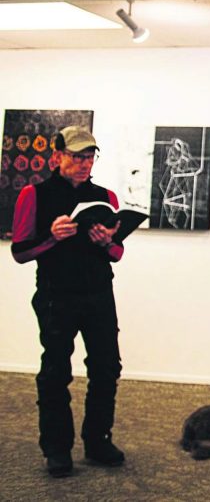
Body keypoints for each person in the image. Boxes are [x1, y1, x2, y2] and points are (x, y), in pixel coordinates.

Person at [10, 126, 127, 477]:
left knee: (107, 368)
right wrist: (52, 237)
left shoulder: (105, 196)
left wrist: (107, 241)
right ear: (57, 155)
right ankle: (57, 448)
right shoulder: (34, 194)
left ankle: (98, 440)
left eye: (89, 157)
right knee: (56, 371)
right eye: (76, 156)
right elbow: (20, 251)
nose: (83, 164)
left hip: (99, 293)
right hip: (55, 294)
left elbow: (118, 252)